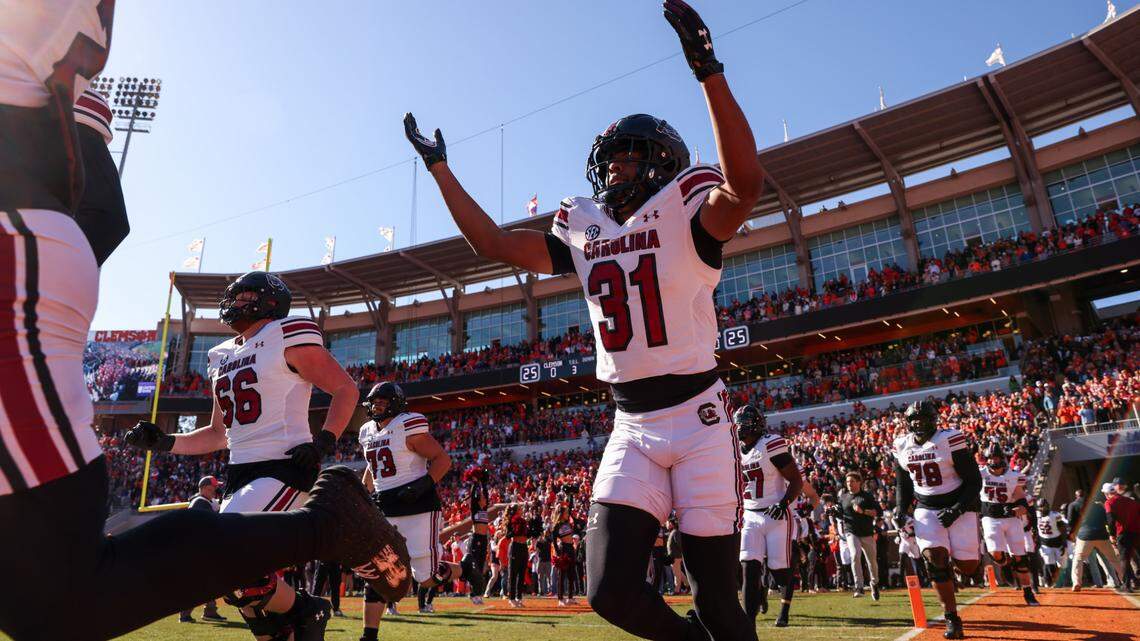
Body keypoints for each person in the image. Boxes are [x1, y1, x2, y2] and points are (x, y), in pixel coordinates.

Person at [404, 0, 765, 637]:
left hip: (701, 416)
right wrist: (439, 169)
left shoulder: (688, 211)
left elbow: (745, 185)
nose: (612, 170)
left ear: (659, 159)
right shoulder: (586, 228)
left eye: (626, 158)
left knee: (716, 599)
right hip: (630, 421)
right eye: (611, 159)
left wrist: (708, 69)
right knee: (607, 589)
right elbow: (491, 242)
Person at [125, 271, 404, 641]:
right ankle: (284, 631)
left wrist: (323, 441)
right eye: (234, 297)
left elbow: (344, 389)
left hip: (285, 466)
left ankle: (307, 609)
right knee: (231, 580)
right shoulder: (219, 355)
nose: (235, 303)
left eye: (245, 296)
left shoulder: (286, 333)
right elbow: (216, 434)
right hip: (239, 472)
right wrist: (164, 442)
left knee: (224, 554)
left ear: (270, 302)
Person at [357, 382, 466, 638]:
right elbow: (373, 468)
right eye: (374, 402)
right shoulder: (366, 432)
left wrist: (423, 485)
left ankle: (464, 568)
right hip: (384, 507)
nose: (377, 407)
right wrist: (363, 494)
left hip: (417, 506)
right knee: (377, 572)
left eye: (383, 402)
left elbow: (442, 459)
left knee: (426, 579)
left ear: (395, 404)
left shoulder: (407, 425)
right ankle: (368, 635)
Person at [893, 401, 982, 640]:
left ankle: (959, 565)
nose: (918, 424)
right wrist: (900, 509)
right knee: (933, 559)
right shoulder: (902, 444)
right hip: (926, 507)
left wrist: (957, 508)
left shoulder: (949, 439)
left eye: (922, 418)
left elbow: (974, 481)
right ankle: (952, 618)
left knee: (969, 567)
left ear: (933, 419)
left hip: (959, 503)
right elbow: (903, 483)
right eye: (914, 420)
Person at [735, 405, 804, 628]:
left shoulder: (770, 444)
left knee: (780, 572)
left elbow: (796, 480)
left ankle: (784, 602)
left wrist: (783, 503)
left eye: (742, 423)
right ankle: (748, 625)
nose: (738, 428)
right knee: (749, 569)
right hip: (750, 515)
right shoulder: (734, 449)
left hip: (775, 515)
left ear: (753, 424)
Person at [978, 445, 1038, 605]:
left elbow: (1021, 500)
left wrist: (1019, 508)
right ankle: (1005, 564)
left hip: (1010, 518)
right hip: (990, 516)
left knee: (1020, 557)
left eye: (996, 458)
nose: (993, 461)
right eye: (990, 458)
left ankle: (1028, 591)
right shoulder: (980, 474)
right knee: (995, 552)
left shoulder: (1013, 476)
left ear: (1002, 459)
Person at [180, 476, 228, 623]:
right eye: (210, 488)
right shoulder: (200, 502)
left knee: (211, 581)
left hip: (201, 548)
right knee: (198, 582)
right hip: (197, 549)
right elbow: (211, 523)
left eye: (214, 487)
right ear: (202, 488)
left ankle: (210, 611)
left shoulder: (204, 501)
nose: (214, 490)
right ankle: (185, 614)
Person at [1071, 484, 1123, 592]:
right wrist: (1111, 534)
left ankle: (1076, 582)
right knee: (1113, 559)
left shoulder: (1074, 505)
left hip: (1084, 536)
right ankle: (1125, 579)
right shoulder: (1099, 505)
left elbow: (1071, 522)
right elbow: (1107, 520)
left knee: (1078, 559)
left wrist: (1072, 535)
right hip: (1101, 535)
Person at [838, 471, 880, 600]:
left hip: (867, 533)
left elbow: (877, 512)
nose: (849, 484)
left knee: (871, 562)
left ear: (859, 482)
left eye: (852, 481)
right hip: (851, 532)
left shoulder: (866, 496)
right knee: (855, 555)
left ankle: (874, 583)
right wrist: (833, 512)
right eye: (848, 481)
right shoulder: (843, 497)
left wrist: (863, 511)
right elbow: (840, 513)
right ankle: (859, 586)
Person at [1105, 481, 1140, 592]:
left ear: (1106, 493)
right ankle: (1135, 581)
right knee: (1135, 557)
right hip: (1136, 531)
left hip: (1123, 533)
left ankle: (1127, 585)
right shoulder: (1129, 500)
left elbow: (1110, 520)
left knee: (1124, 559)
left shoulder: (1109, 503)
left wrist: (1111, 535)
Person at [1035, 499, 1068, 586]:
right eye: (1040, 507)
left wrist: (1064, 543)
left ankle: (1064, 583)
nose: (1042, 509)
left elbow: (1063, 529)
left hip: (1057, 542)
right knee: (1049, 564)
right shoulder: (1036, 515)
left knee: (1063, 565)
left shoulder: (1055, 515)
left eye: (1043, 506)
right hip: (1045, 543)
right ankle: (1054, 583)